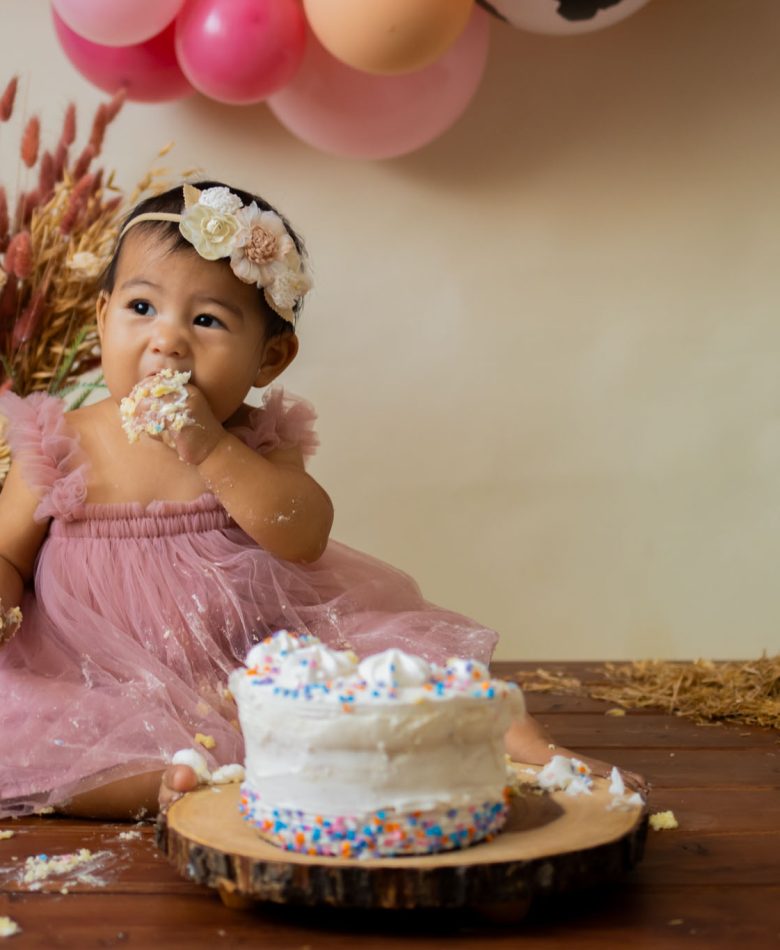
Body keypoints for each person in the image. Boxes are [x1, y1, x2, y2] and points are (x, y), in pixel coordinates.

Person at [0, 181, 637, 821]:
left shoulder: (255, 441)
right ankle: (167, 784)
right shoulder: (59, 444)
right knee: (37, 730)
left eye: (206, 320)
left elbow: (301, 535)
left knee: (386, 665)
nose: (168, 341)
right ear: (102, 315)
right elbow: (8, 558)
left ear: (270, 359)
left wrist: (212, 448)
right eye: (142, 307)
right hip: (101, 680)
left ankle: (516, 742)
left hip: (260, 664)